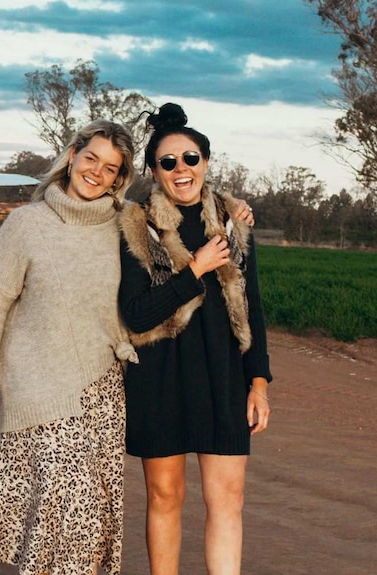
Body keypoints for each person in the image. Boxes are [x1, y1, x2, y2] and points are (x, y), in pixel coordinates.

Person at [0, 119, 140, 575]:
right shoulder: (26, 224)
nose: (97, 172)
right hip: (38, 382)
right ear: (74, 154)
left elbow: (180, 225)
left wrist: (233, 210)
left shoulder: (125, 227)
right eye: (91, 159)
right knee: (75, 505)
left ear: (119, 178)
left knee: (82, 513)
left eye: (111, 168)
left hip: (102, 387)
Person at [117, 103, 272, 575]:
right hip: (160, 378)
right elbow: (137, 314)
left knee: (228, 499)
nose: (180, 170)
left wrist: (259, 382)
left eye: (190, 159)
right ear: (152, 169)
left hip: (223, 376)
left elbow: (253, 306)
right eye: (168, 162)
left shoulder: (232, 222)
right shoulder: (135, 226)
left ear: (206, 162)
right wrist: (196, 269)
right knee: (166, 497)